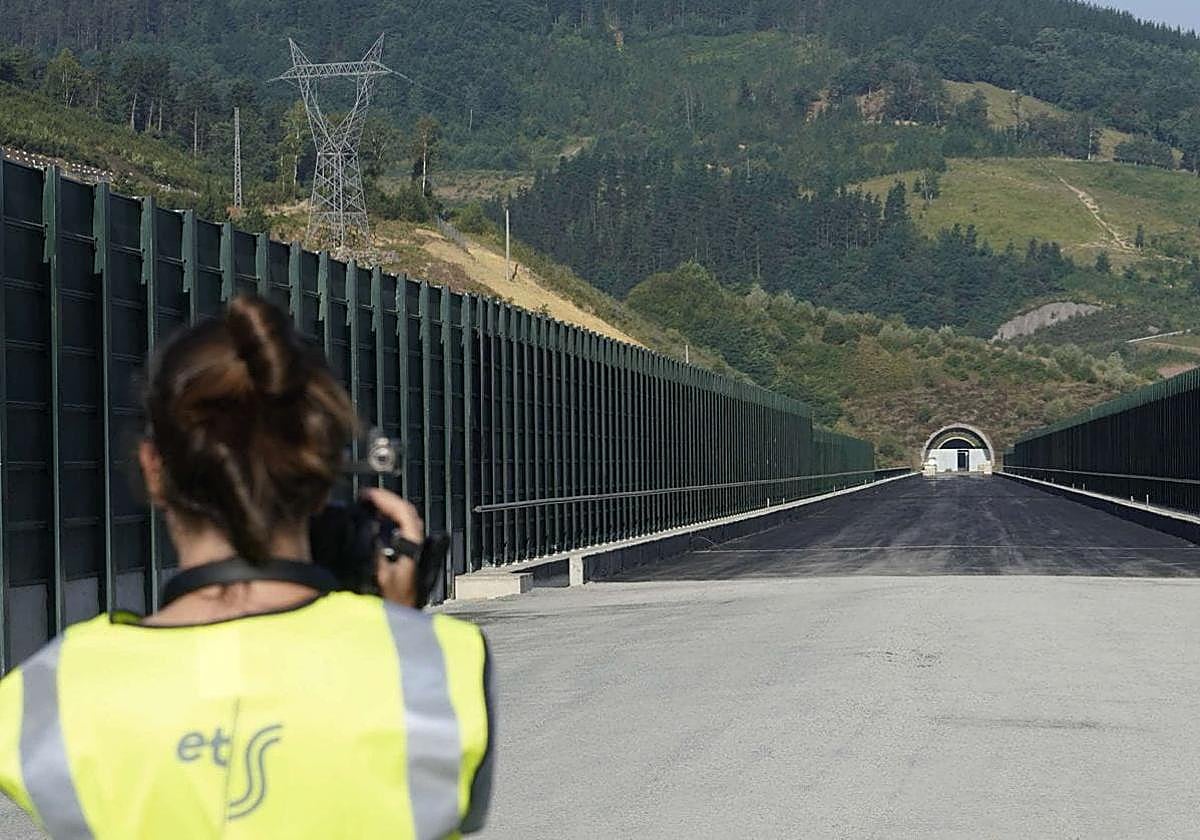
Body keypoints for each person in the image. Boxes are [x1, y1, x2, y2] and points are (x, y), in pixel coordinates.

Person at [0, 296, 493, 838]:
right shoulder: (438, 667)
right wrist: (398, 624)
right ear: (319, 475)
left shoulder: (49, 695)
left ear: (153, 470)